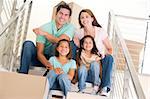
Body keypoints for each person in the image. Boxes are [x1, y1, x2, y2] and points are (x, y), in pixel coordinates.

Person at [18, 3, 75, 74]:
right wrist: (48, 64)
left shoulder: (70, 27)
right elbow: (39, 53)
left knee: (61, 45)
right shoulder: (44, 27)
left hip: (57, 60)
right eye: (61, 13)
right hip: (41, 59)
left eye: (66, 15)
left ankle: (55, 75)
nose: (62, 16)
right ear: (56, 14)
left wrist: (45, 34)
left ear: (69, 18)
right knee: (28, 44)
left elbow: (60, 41)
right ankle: (22, 74)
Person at [74, 9, 114, 96]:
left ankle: (104, 87)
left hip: (99, 60)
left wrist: (102, 56)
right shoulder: (78, 32)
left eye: (87, 17)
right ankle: (74, 79)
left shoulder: (100, 31)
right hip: (85, 61)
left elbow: (110, 49)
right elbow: (77, 46)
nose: (84, 19)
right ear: (80, 21)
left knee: (109, 58)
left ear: (92, 19)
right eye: (82, 18)